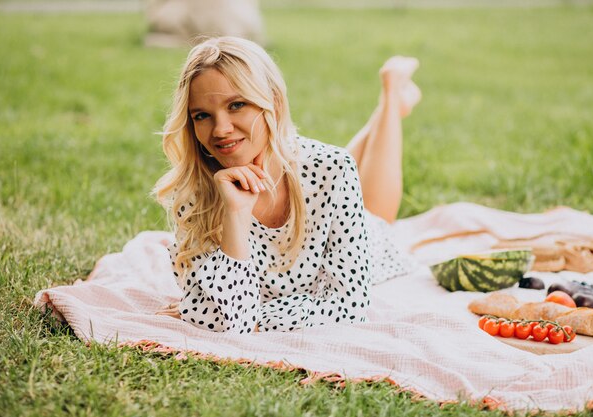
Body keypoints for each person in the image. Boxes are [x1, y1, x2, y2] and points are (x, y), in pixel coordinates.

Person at [153, 36, 421, 333]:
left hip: (370, 236)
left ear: (274, 104)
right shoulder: (194, 193)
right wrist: (236, 215)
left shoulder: (332, 168)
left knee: (358, 188)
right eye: (202, 115)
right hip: (305, 168)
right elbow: (224, 321)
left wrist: (254, 315)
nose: (221, 130)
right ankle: (389, 103)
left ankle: (391, 94)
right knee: (328, 164)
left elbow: (348, 307)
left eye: (237, 105)